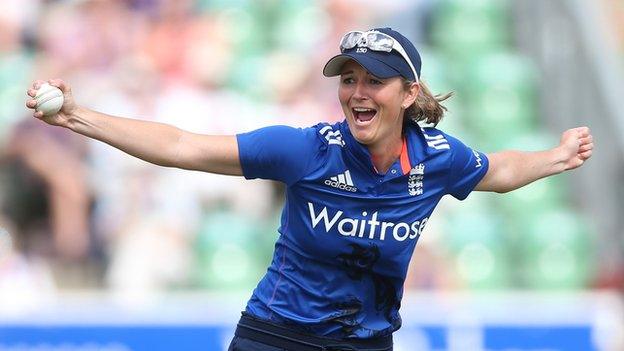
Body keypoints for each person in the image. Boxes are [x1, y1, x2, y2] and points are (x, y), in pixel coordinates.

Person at [25, 27, 593, 351]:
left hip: (365, 345)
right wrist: (78, 117)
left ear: (408, 92)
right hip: (275, 338)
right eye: (349, 80)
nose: (356, 93)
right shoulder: (306, 149)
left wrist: (554, 157)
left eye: (374, 79)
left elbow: (499, 170)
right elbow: (182, 146)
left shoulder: (437, 158)